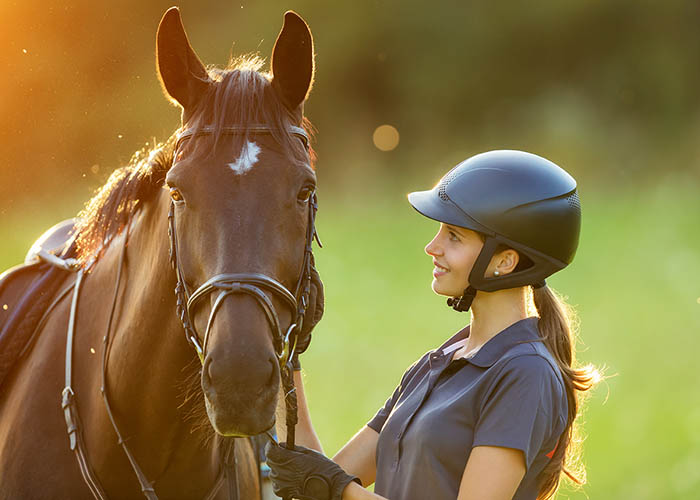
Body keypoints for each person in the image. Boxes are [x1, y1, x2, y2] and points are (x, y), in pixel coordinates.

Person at [265, 150, 600, 500]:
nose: (431, 247)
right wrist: (284, 353)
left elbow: (332, 486)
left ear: (504, 261)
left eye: (454, 236)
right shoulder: (441, 361)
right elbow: (320, 475)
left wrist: (337, 490)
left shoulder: (525, 374)